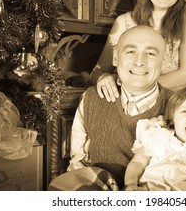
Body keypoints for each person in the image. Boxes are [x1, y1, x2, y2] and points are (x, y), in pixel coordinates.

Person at [48, 25, 173, 191]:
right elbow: (78, 164)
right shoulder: (92, 99)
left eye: (150, 53)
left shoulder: (178, 105)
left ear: (164, 61)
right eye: (130, 51)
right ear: (115, 58)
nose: (139, 61)